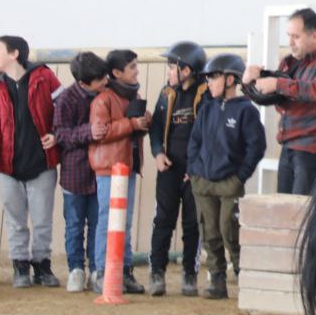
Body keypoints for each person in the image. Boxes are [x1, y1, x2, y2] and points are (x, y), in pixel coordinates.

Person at [0, 35, 63, 288]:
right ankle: (20, 267)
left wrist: (57, 134)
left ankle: (42, 266)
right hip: (7, 167)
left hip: (42, 164)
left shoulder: (45, 78)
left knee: (42, 220)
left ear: (14, 54)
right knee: (15, 221)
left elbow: (64, 109)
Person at [188, 53, 265, 300]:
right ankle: (217, 280)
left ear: (230, 79)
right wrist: (194, 170)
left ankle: (245, 279)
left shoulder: (246, 111)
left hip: (229, 183)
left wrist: (239, 177)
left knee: (229, 230)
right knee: (209, 231)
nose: (209, 82)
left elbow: (256, 147)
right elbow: (195, 141)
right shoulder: (206, 108)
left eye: (213, 77)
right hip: (203, 182)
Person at [244, 8, 316, 196]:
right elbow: (271, 96)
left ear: (315, 36)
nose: (290, 42)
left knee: (300, 211)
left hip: (312, 152)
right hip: (288, 149)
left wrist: (277, 83)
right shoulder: (289, 62)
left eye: (296, 37)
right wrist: (249, 82)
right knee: (284, 208)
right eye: (289, 36)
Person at [147, 40, 207, 296]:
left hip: (195, 171)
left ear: (187, 70)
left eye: (173, 66)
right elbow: (156, 128)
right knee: (163, 219)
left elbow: (208, 135)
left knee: (193, 224)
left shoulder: (204, 95)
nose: (169, 71)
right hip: (169, 168)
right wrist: (158, 153)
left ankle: (189, 273)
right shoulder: (166, 93)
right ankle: (157, 271)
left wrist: (196, 167)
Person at [88, 50, 150, 295]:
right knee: (108, 220)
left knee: (123, 221)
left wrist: (145, 122)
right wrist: (133, 124)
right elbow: (101, 132)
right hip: (109, 168)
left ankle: (123, 271)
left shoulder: (130, 96)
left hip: (127, 166)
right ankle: (104, 272)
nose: (136, 70)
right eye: (132, 66)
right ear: (116, 73)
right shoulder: (103, 100)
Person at [55, 51, 106, 292]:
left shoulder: (106, 95)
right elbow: (61, 134)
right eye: (99, 79)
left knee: (97, 223)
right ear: (84, 82)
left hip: (99, 173)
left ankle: (96, 269)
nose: (104, 82)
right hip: (74, 174)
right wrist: (88, 132)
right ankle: (76, 269)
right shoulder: (66, 99)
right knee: (74, 224)